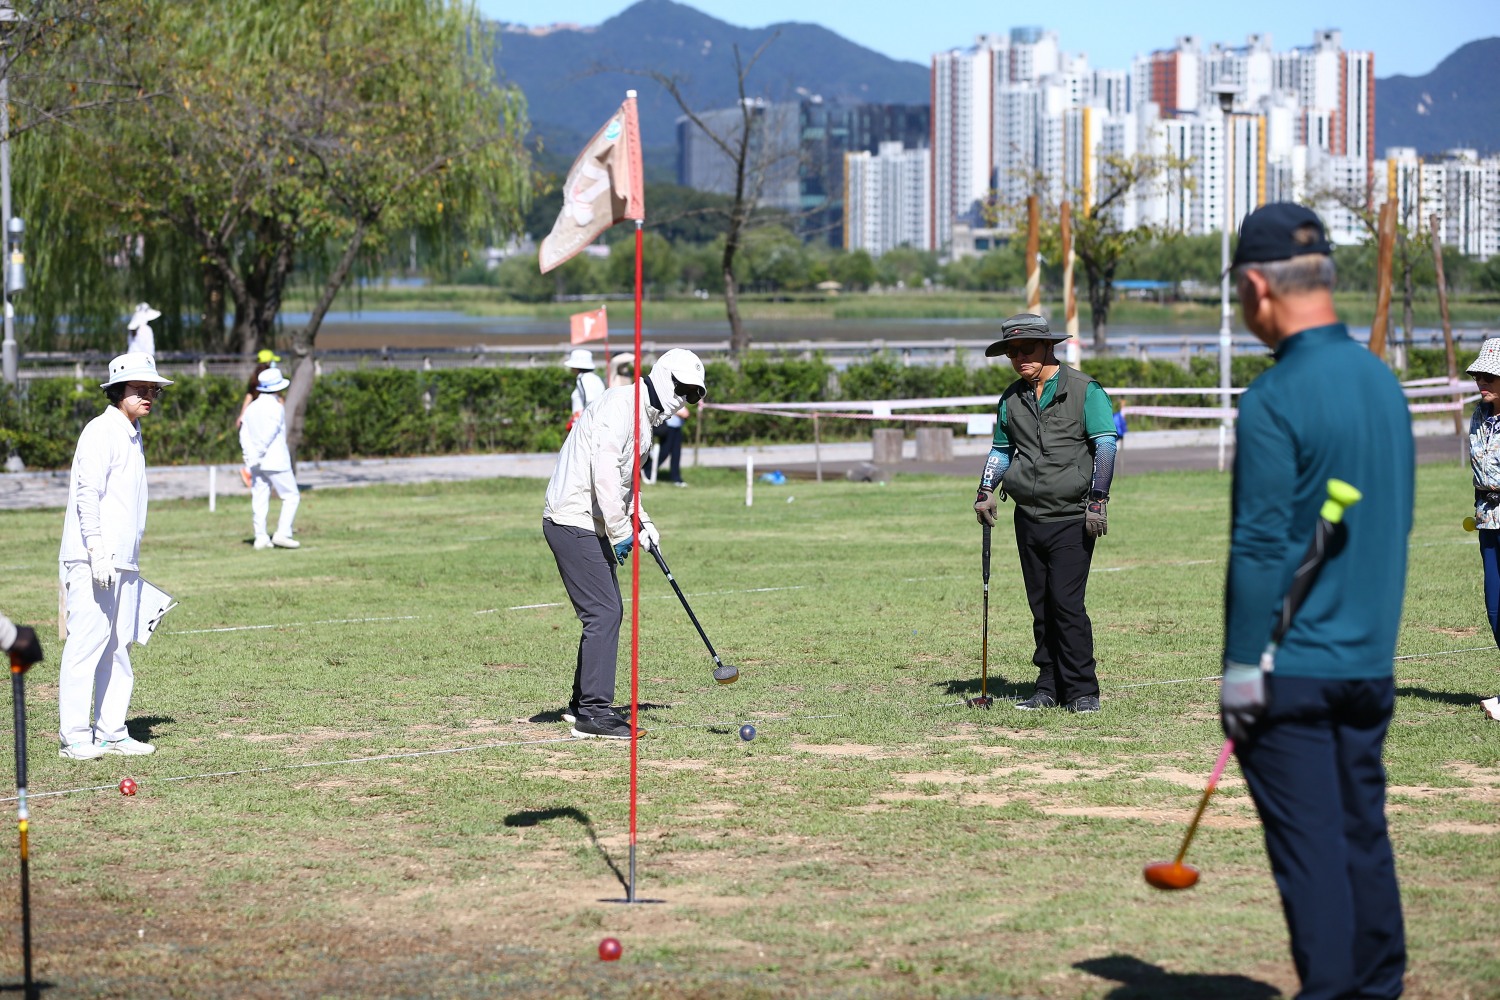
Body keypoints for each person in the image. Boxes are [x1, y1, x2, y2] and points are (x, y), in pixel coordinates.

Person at [1220, 203, 1412, 999]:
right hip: (1369, 663)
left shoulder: (1274, 396)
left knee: (1312, 854)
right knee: (1362, 835)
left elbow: (1261, 546)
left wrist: (1239, 670)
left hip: (1289, 668)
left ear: (1258, 287)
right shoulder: (1383, 382)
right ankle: (1379, 985)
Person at [542, 349, 707, 740]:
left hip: (592, 521)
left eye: (693, 395)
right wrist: (620, 532)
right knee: (604, 612)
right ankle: (595, 715)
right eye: (683, 389)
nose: (684, 399)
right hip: (573, 519)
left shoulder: (645, 420)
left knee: (606, 612)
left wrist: (642, 523)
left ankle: (582, 705)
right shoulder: (621, 407)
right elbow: (602, 474)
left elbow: (625, 486)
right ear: (665, 378)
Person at [972, 313, 1117, 713]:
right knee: (1041, 607)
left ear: (1048, 346)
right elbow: (1002, 451)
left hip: (1072, 517)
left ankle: (1083, 690)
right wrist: (986, 489)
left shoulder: (1086, 390)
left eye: (1027, 349)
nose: (1020, 358)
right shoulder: (1011, 398)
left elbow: (1105, 446)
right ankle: (1048, 687)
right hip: (1028, 517)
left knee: (1066, 605)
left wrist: (1098, 500)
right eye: (1012, 352)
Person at [56, 352, 172, 760]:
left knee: (118, 646)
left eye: (152, 390)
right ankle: (74, 737)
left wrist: (120, 557)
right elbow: (86, 496)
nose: (148, 396)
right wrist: (97, 551)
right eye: (140, 389)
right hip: (92, 558)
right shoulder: (100, 431)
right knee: (86, 645)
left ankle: (111, 730)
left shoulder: (132, 432)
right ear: (118, 391)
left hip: (123, 560)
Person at [1463, 337, 1500, 721]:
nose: (1481, 381)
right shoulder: (1478, 413)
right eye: (1478, 374)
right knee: (1495, 608)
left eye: (1489, 375)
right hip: (1489, 522)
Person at [239, 367, 301, 550]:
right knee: (291, 496)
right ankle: (282, 533)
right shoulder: (276, 407)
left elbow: (244, 432)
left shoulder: (252, 407)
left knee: (259, 497)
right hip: (275, 460)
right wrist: (256, 452)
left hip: (256, 462)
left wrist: (249, 455)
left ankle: (260, 536)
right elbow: (270, 433)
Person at [235, 351, 280, 488]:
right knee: (264, 445)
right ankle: (249, 471)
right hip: (264, 418)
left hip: (253, 417)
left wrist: (242, 415)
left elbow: (249, 396)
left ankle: (252, 472)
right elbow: (279, 397)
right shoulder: (271, 379)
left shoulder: (254, 377)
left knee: (256, 445)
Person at [566, 348, 606, 429]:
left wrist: (580, 421)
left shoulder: (582, 378)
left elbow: (589, 400)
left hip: (585, 426)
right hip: (595, 423)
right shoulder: (596, 378)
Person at [654, 405, 690, 486]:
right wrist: (679, 413)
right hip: (668, 427)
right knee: (664, 452)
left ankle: (676, 478)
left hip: (677, 427)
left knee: (676, 454)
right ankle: (648, 471)